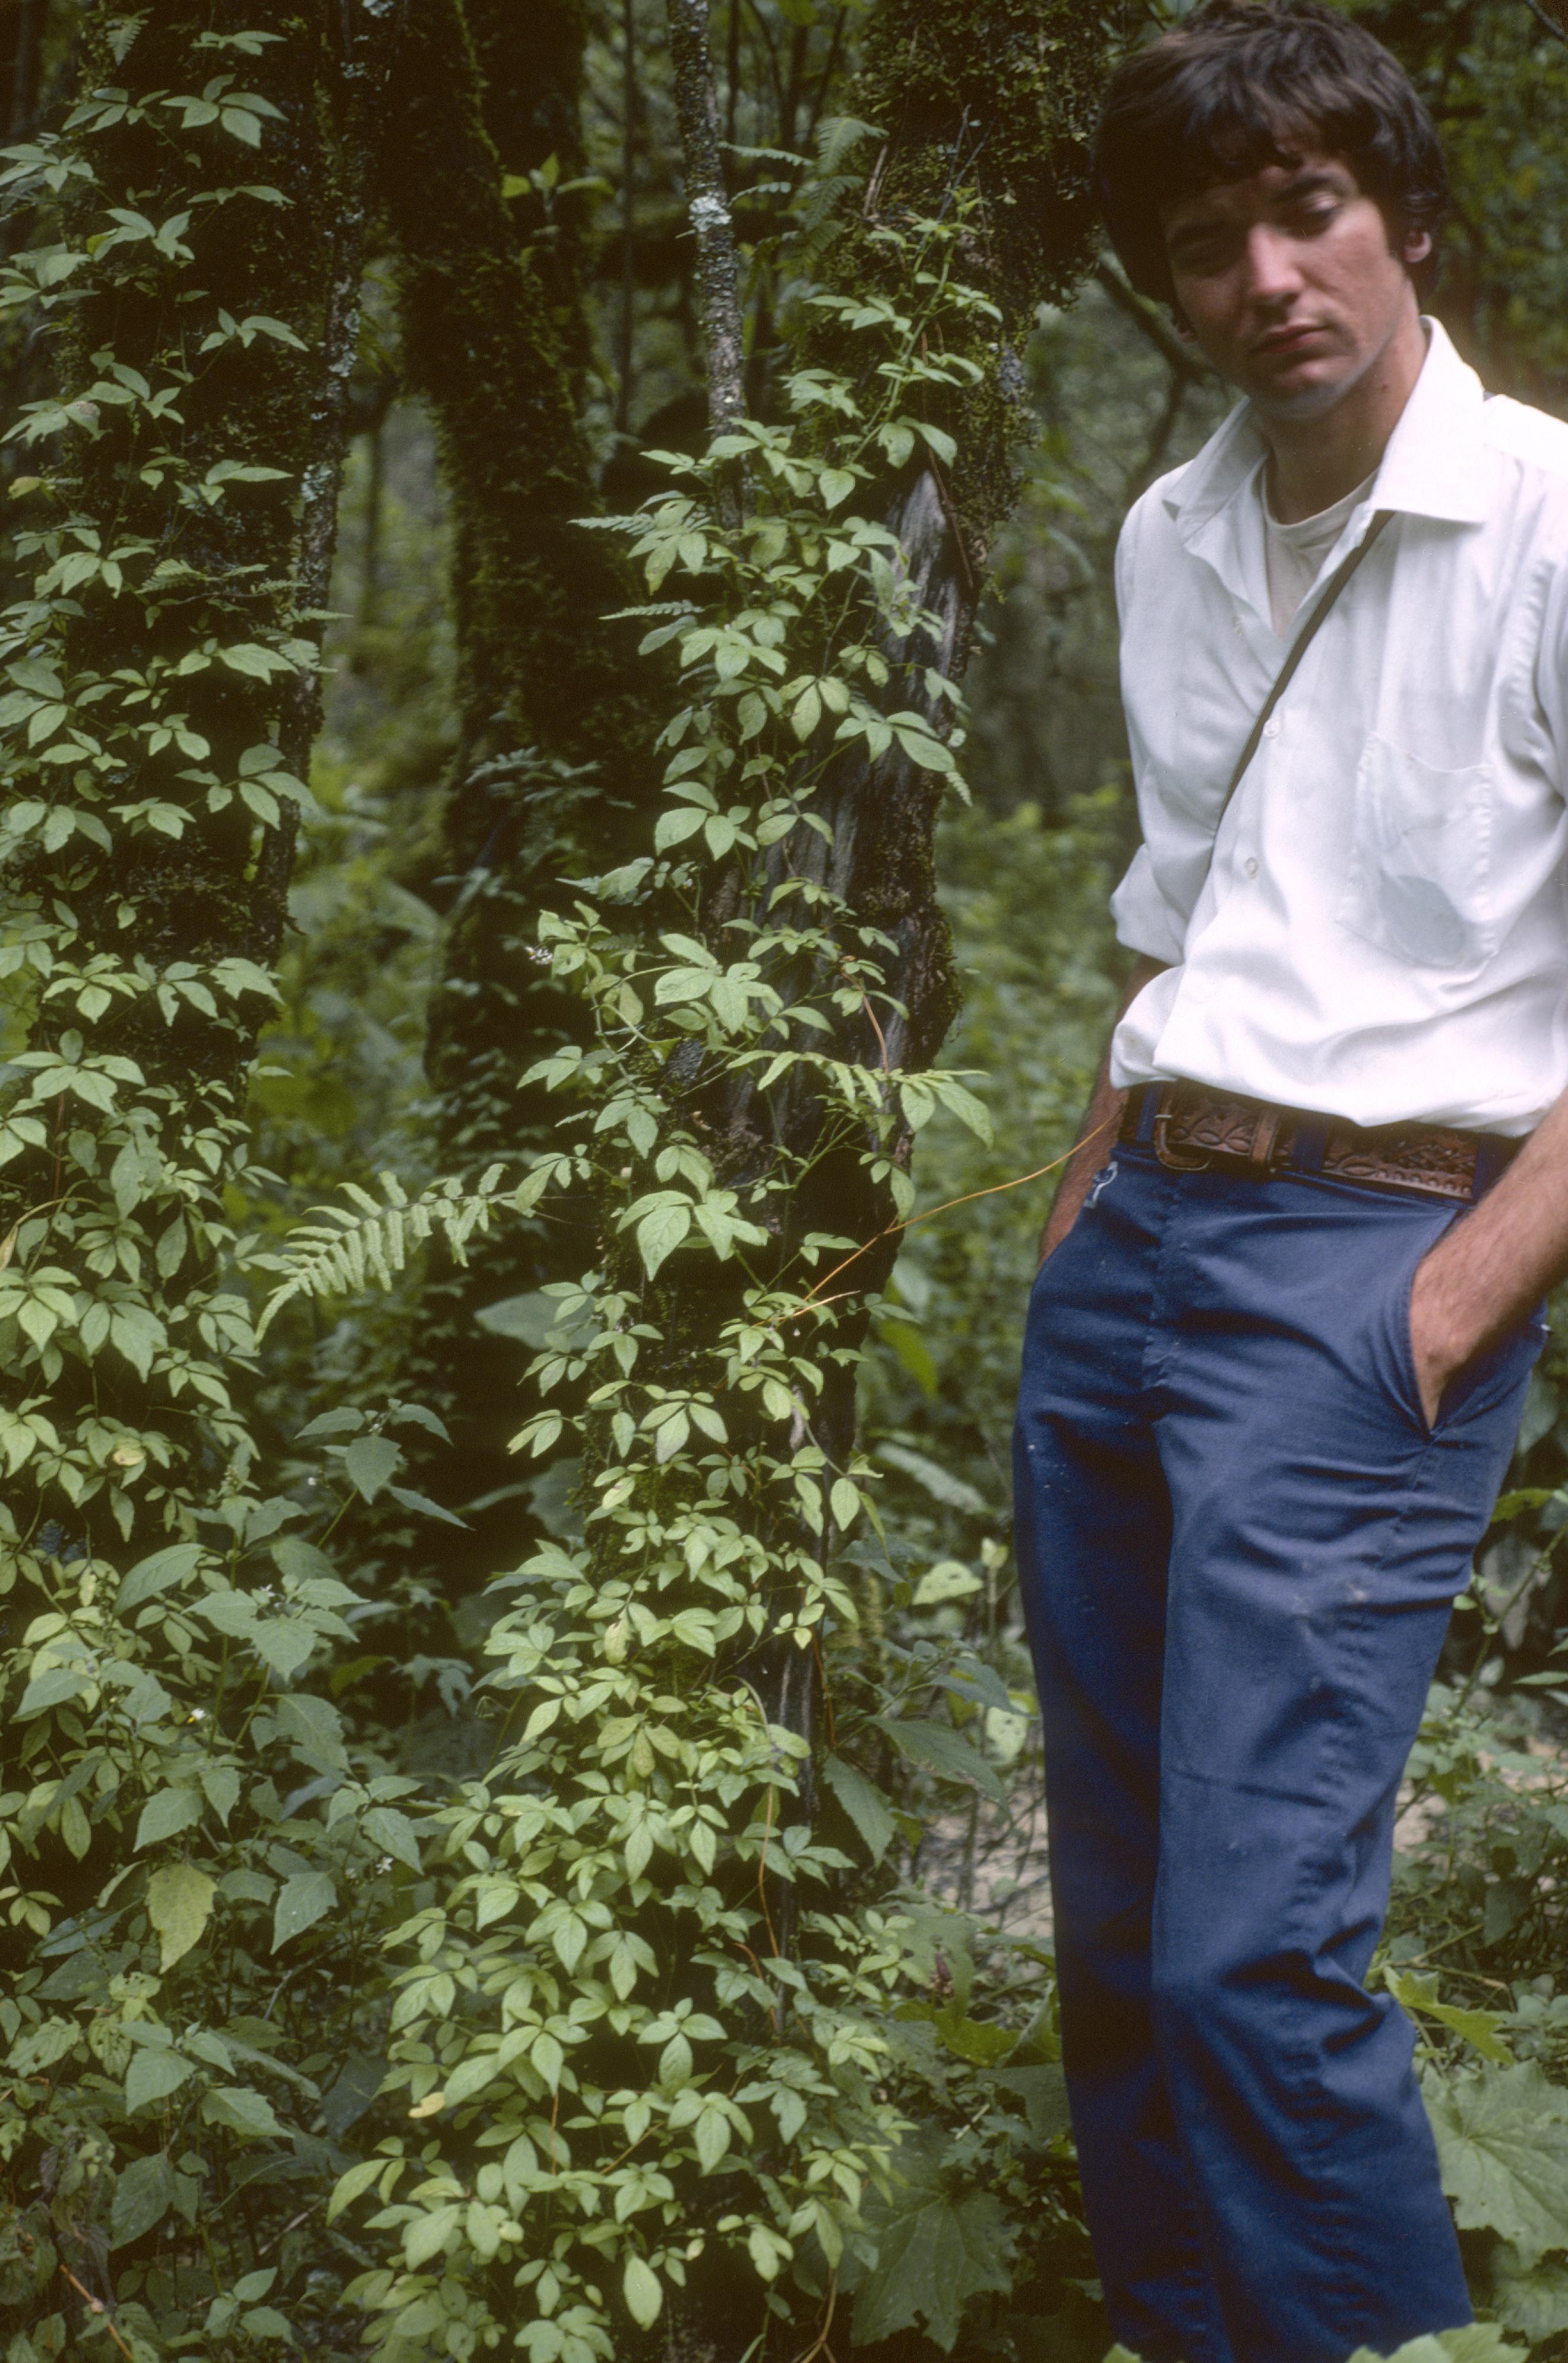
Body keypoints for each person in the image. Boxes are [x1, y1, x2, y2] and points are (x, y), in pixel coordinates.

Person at [1011, 7, 1568, 2360]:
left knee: (1256, 1946)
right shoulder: (1170, 530)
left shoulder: (1545, 520)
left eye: (1309, 211)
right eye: (1207, 244)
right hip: (1142, 1248)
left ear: (1404, 214)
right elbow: (1180, 910)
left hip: (1374, 1264)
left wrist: (1454, 1300)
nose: (1269, 275)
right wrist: (1086, 1193)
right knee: (1130, 1932)